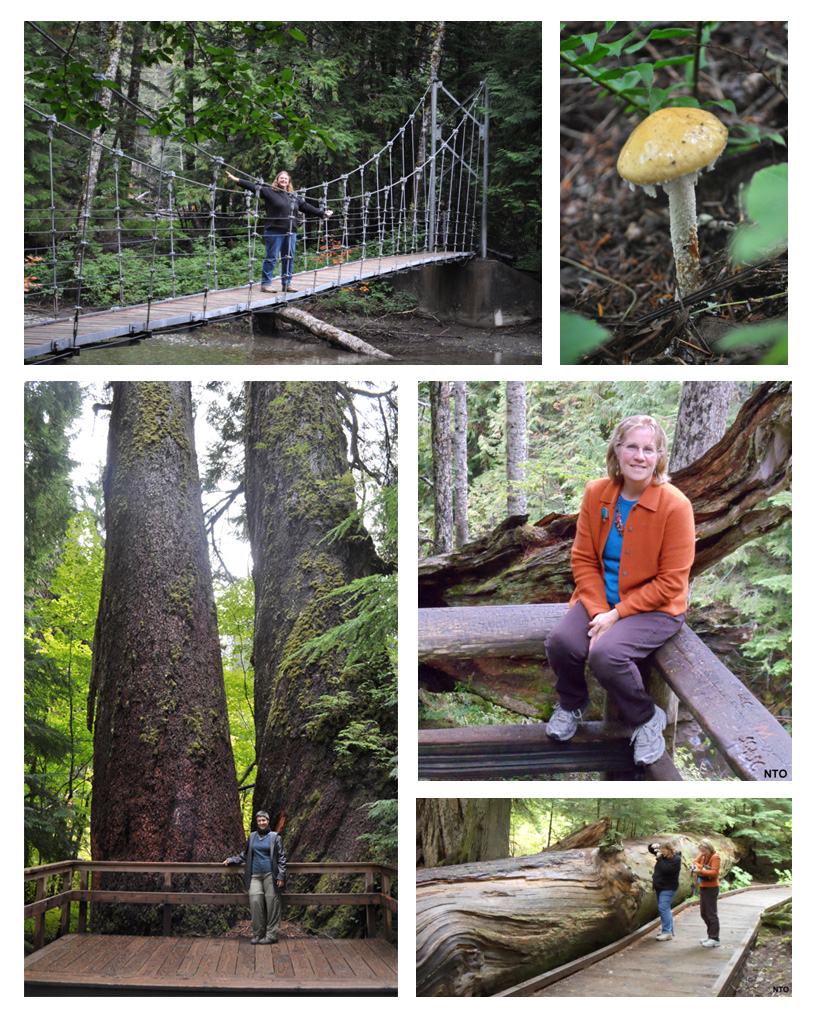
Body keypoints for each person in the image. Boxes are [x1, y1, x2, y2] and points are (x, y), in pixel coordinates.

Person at [545, 414, 696, 766]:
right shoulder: (597, 493)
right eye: (632, 446)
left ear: (659, 456)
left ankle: (646, 718)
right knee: (562, 643)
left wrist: (617, 615)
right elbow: (583, 559)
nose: (640, 456)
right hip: (602, 600)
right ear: (617, 449)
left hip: (656, 608)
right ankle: (571, 703)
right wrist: (599, 612)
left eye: (649, 449)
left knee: (606, 655)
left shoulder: (676, 506)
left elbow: (672, 582)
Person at [226, 169, 333, 293]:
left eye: (286, 179)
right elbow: (253, 187)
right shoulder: (269, 192)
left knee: (289, 258)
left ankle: (286, 284)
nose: (283, 180)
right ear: (277, 180)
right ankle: (266, 284)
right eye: (281, 178)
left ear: (289, 182)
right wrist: (236, 180)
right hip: (274, 231)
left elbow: (306, 207)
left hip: (291, 232)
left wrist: (323, 214)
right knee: (271, 257)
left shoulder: (293, 196)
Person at [223, 809, 287, 945]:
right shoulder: (252, 837)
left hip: (271, 875)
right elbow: (245, 855)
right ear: (257, 822)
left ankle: (272, 935)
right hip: (255, 875)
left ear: (268, 821)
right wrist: (231, 860)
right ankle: (258, 933)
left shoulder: (275, 837)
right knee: (255, 902)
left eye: (264, 820)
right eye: (259, 820)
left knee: (272, 904)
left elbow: (281, 858)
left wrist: (281, 876)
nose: (262, 822)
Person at [648, 840, 681, 940]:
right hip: (659, 886)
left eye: (663, 850)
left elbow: (666, 870)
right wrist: (652, 845)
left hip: (668, 887)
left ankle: (667, 932)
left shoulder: (676, 859)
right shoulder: (663, 855)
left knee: (663, 907)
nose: (661, 852)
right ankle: (668, 930)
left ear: (669, 849)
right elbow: (650, 849)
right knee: (665, 908)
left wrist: (659, 859)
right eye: (660, 850)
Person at [691, 838, 721, 947]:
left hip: (711, 887)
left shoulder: (715, 857)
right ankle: (710, 936)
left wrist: (700, 870)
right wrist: (701, 867)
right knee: (704, 913)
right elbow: (695, 862)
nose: (702, 853)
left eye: (704, 851)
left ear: (709, 848)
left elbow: (714, 873)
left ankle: (715, 938)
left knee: (711, 914)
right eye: (701, 851)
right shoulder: (704, 856)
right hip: (703, 886)